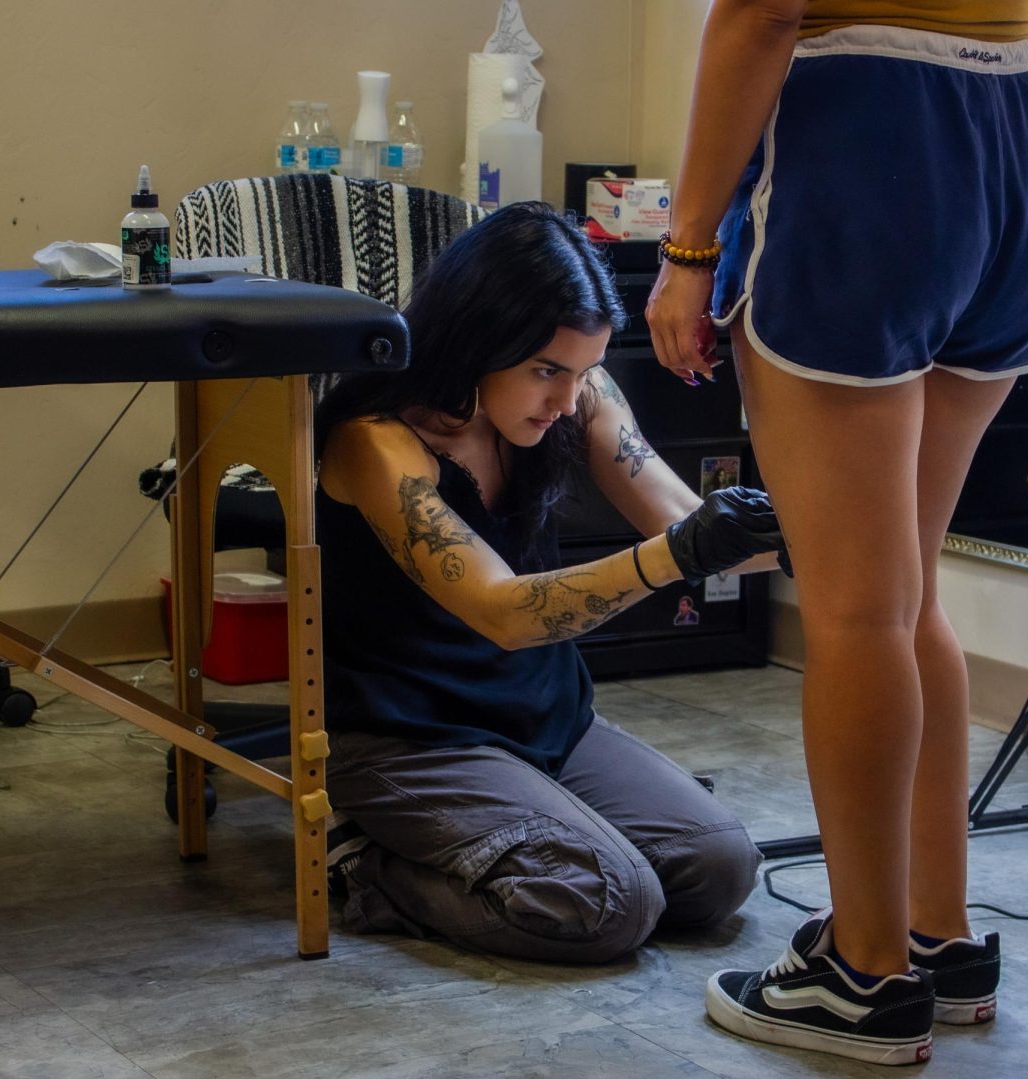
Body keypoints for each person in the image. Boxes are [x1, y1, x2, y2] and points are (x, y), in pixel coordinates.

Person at [645, 0, 1028, 1066]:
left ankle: (862, 972)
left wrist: (690, 244)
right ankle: (938, 936)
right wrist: (1016, 92)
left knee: (853, 606)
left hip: (869, 133)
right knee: (907, 588)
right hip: (1016, 128)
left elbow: (763, 11)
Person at [315, 201, 787, 963]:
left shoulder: (579, 397)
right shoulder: (377, 441)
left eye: (581, 371)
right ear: (477, 341)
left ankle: (526, 825)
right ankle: (365, 865)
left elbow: (690, 524)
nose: (567, 399)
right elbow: (503, 611)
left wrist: (826, 536)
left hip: (542, 716)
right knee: (610, 903)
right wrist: (677, 555)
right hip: (408, 736)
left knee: (718, 868)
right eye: (546, 371)